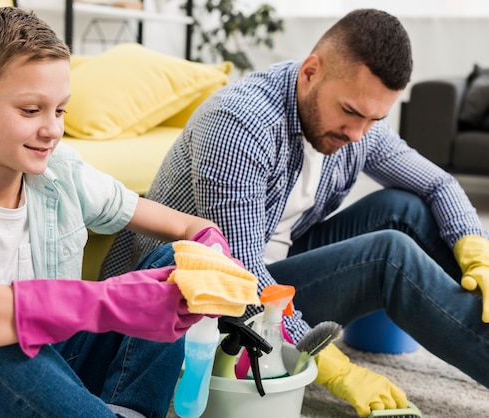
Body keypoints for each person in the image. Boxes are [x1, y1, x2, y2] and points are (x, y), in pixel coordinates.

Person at [0, 7, 255, 418]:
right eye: (31, 110)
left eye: (60, 110)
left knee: (177, 262)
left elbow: (186, 226)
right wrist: (104, 302)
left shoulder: (61, 171)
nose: (52, 129)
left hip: (40, 383)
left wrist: (209, 247)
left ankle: (128, 411)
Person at [102, 8, 489, 417]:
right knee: (389, 255)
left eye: (375, 119)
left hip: (273, 271)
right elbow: (242, 280)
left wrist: (476, 250)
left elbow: (437, 183)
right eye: (352, 113)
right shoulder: (240, 125)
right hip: (201, 307)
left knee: (405, 207)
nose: (358, 133)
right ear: (310, 72)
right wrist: (333, 366)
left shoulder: (358, 119)